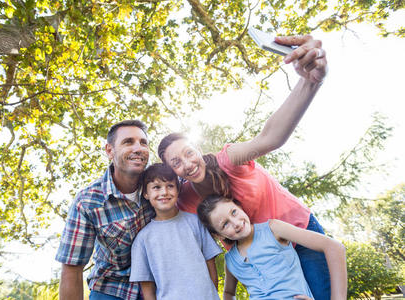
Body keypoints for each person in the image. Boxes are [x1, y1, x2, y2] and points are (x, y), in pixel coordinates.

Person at [157, 35, 332, 300]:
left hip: (299, 235)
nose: (188, 164)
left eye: (189, 153)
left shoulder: (229, 159)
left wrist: (310, 81)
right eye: (176, 163)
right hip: (260, 259)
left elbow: (270, 137)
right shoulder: (186, 200)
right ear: (173, 172)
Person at [56, 120, 155, 300]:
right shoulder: (88, 202)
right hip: (111, 288)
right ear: (110, 151)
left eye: (143, 142)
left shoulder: (162, 186)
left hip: (157, 286)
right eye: (128, 142)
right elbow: (72, 268)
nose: (138, 148)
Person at [197, 195, 347, 300]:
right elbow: (229, 292)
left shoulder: (273, 229)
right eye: (225, 224)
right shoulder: (231, 261)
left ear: (240, 206)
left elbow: (334, 247)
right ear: (219, 236)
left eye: (234, 212)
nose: (236, 223)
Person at [129, 163, 222, 300]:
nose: (164, 192)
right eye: (156, 187)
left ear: (178, 190)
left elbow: (210, 264)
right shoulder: (142, 239)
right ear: (146, 194)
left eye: (170, 186)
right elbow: (147, 286)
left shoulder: (195, 222)